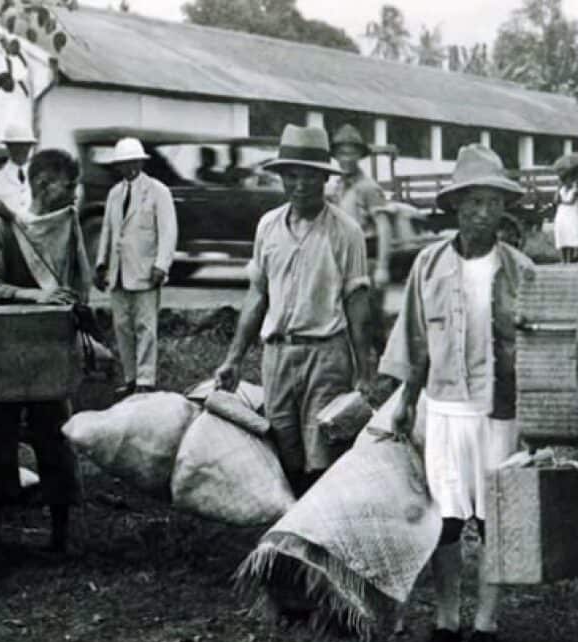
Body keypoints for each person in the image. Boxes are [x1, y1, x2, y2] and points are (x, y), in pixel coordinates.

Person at [380, 143, 534, 642]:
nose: (481, 213)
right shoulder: (429, 265)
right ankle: (447, 622)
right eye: (472, 202)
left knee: (495, 521)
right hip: (444, 408)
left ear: (502, 210)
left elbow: (539, 350)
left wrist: (537, 417)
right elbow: (415, 342)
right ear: (456, 207)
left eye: (492, 203)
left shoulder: (521, 272)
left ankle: (486, 626)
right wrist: (404, 401)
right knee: (445, 521)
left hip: (500, 411)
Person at [213, 125, 374, 498]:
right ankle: (288, 542)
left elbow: (357, 303)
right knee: (284, 452)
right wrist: (233, 359)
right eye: (291, 176)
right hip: (278, 355)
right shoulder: (268, 226)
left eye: (309, 177)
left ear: (324, 179)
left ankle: (319, 542)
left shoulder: (345, 232)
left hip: (326, 355)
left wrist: (365, 371)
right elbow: (257, 295)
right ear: (282, 177)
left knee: (322, 458)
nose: (300, 185)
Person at [0, 149, 91, 559]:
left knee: (56, 435)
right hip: (2, 349)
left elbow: (79, 281)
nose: (74, 192)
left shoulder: (68, 226)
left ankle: (59, 535)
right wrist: (34, 295)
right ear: (42, 184)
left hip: (47, 350)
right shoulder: (2, 230)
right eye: (68, 184)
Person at [93, 137, 178, 397]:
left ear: (142, 162)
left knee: (145, 326)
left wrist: (161, 265)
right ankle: (130, 378)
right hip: (118, 271)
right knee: (122, 326)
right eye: (124, 164)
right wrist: (101, 264)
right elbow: (108, 230)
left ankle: (145, 379)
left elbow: (168, 231)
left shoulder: (157, 191)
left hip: (145, 269)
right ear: (117, 166)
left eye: (134, 162)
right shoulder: (115, 194)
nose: (130, 168)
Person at [325, 124, 394, 285]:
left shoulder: (368, 187)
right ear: (335, 156)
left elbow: (384, 228)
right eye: (342, 154)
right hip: (342, 259)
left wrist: (382, 268)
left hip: (366, 260)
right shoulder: (338, 186)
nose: (347, 159)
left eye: (352, 153)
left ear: (360, 156)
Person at [0, 124, 37, 219]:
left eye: (25, 145)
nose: (21, 150)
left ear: (31, 146)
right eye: (15, 145)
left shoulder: (39, 177)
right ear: (7, 147)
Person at [553, 165, 578, 263]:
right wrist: (558, 190)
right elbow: (555, 201)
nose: (569, 181)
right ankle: (563, 259)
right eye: (566, 179)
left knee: (570, 235)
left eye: (571, 179)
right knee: (562, 234)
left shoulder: (575, 190)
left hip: (571, 214)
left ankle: (569, 258)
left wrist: (561, 202)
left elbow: (571, 202)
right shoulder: (561, 190)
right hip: (562, 213)